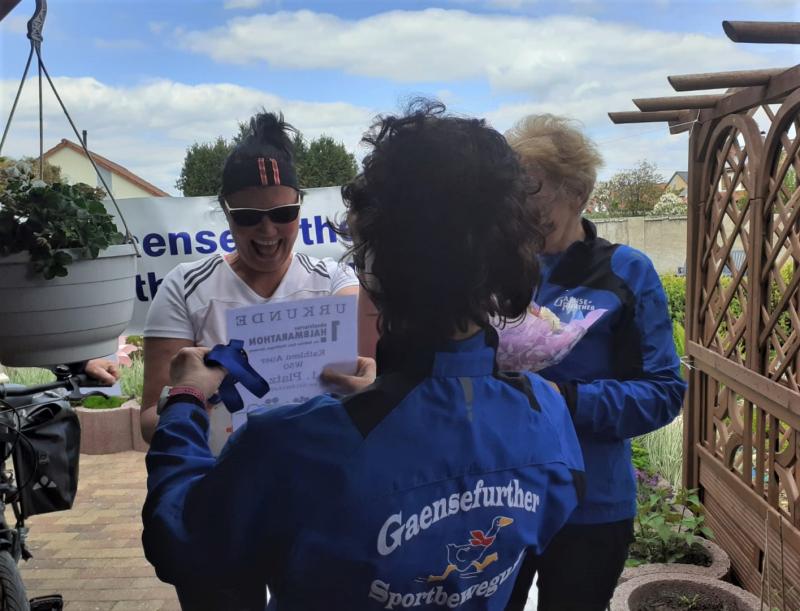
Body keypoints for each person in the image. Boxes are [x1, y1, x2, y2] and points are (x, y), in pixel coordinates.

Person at [142, 101, 585, 610]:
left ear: (373, 265)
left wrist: (184, 399)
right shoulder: (546, 414)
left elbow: (179, 540)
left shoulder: (292, 442)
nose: (268, 231)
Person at [504, 114, 687, 611]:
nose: (523, 213)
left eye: (535, 194)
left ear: (579, 192)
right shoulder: (498, 270)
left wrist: (566, 399)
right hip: (501, 499)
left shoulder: (625, 272)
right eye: (513, 196)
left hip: (591, 505)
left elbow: (663, 393)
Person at [140, 111, 361, 454]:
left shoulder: (333, 281)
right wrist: (191, 399)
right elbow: (149, 422)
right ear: (226, 213)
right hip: (224, 475)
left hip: (315, 471)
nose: (268, 230)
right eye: (248, 218)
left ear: (300, 208)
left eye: (283, 213)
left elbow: (366, 372)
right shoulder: (183, 287)